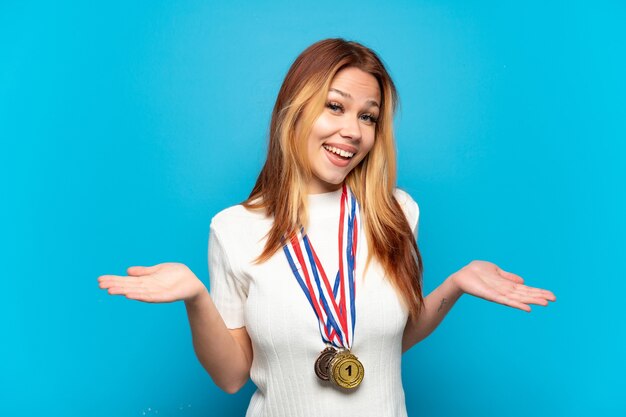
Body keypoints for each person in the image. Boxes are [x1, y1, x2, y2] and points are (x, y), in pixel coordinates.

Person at [97, 38, 556, 416]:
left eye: (368, 116)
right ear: (294, 110)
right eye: (334, 107)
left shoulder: (396, 213)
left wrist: (454, 286)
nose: (353, 131)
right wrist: (195, 298)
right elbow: (232, 375)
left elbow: (387, 339)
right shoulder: (234, 228)